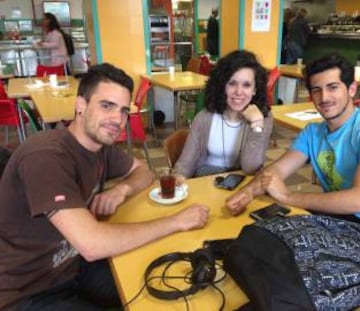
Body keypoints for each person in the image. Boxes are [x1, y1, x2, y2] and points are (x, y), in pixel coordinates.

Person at [0, 63, 210, 310]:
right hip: (27, 291)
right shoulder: (45, 156)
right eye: (106, 106)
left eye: (123, 110)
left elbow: (144, 171)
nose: (117, 120)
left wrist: (122, 190)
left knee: (165, 281)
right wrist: (176, 221)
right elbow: (92, 245)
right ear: (80, 105)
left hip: (74, 268)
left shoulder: (99, 148)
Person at [226, 54, 360, 257]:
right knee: (264, 245)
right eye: (317, 90)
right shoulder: (313, 132)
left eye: (333, 87)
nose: (324, 98)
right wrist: (247, 192)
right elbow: (277, 170)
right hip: (340, 222)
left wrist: (288, 196)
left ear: (351, 89)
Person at [174, 50, 273, 178]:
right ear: (222, 86)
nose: (239, 92)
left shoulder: (263, 118)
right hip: (206, 179)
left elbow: (251, 168)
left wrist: (256, 126)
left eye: (246, 85)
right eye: (232, 83)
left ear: (255, 89)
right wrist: (177, 177)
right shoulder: (204, 117)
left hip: (241, 181)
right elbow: (186, 163)